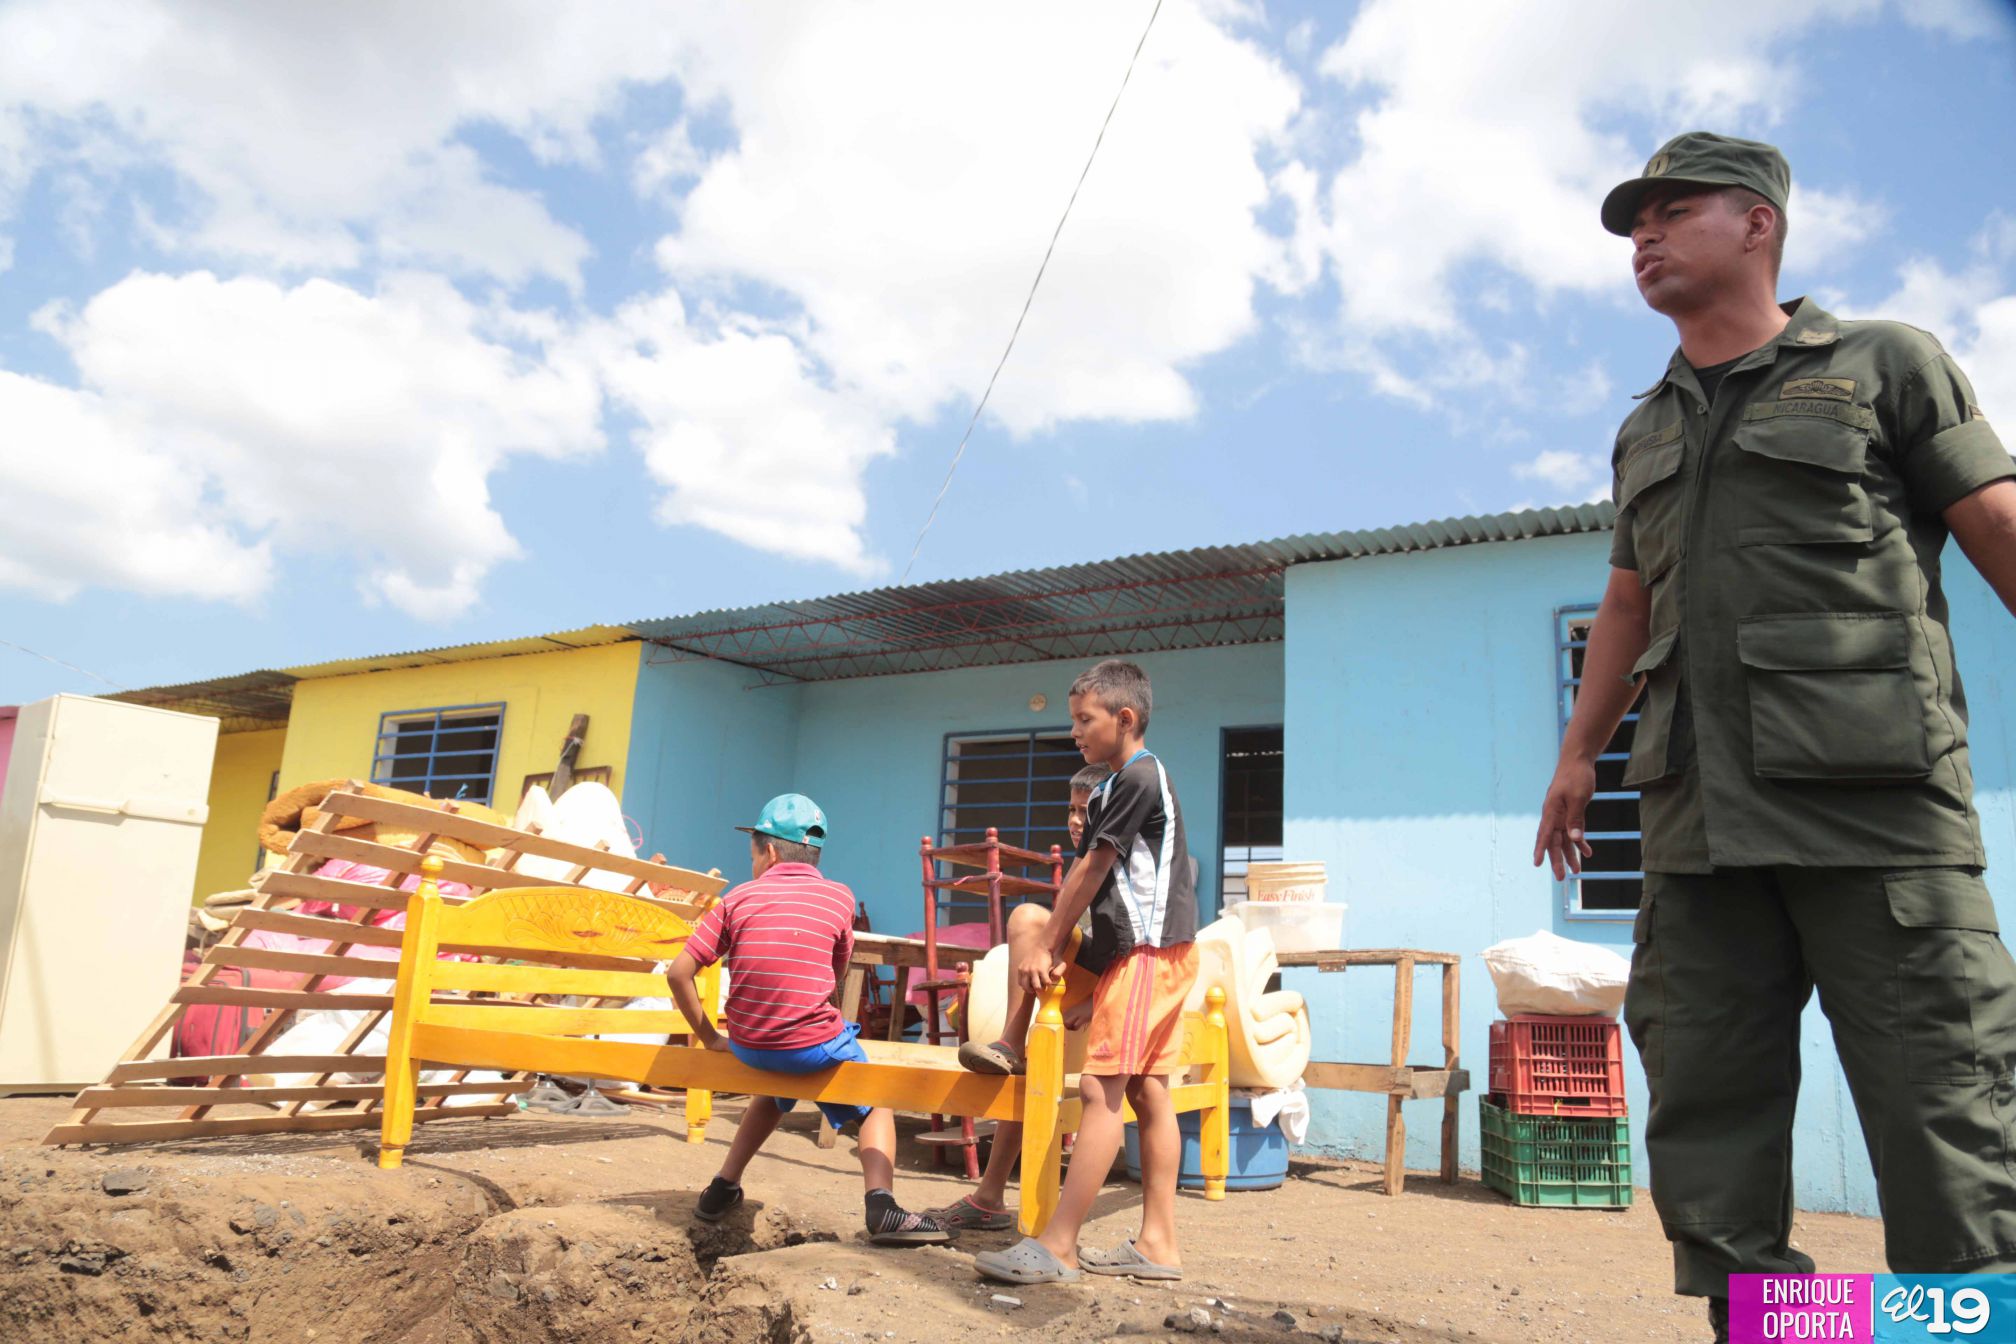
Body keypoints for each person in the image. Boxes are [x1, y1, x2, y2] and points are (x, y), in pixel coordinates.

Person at [1534, 131, 2016, 1342]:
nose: (1642, 236)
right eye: (1632, 220)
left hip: (1879, 812)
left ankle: (1954, 1330)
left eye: (1671, 210)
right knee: (1710, 1126)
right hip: (1698, 823)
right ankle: (1775, 1332)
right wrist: (1576, 754)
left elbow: (1996, 516)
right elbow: (1629, 604)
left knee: (1945, 1116)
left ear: (1758, 224)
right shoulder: (1644, 428)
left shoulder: (1881, 363)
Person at [966, 660, 1200, 1285]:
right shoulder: (1114, 787)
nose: (1074, 731)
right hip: (1152, 954)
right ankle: (1158, 1245)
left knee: (1102, 1092)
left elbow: (1091, 873)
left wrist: (1045, 946)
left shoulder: (1139, 776)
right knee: (1151, 1094)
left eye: (1083, 720)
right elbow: (1113, 900)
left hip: (1148, 957)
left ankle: (1060, 1245)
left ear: (1125, 719)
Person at [665, 793, 950, 1246]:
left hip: (748, 1042)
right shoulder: (839, 897)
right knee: (877, 1098)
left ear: (770, 851)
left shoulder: (737, 897)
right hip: (808, 1042)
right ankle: (883, 1205)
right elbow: (833, 977)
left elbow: (678, 973)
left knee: (776, 1088)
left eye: (754, 852)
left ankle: (722, 1188)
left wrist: (710, 1037)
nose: (753, 862)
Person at [926, 760, 1113, 1234]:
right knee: (1033, 1064)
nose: (1074, 820)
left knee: (1030, 917)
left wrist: (1096, 1003)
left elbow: (1137, 947)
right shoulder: (1082, 861)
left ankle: (1013, 1041)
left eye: (1084, 810)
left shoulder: (1117, 860)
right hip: (1084, 980)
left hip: (1122, 986)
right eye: (1069, 810)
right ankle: (988, 1197)